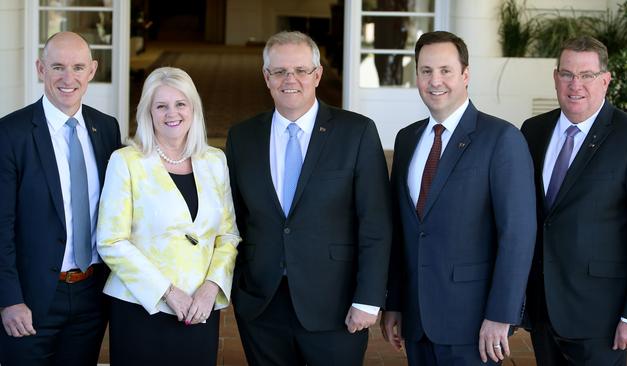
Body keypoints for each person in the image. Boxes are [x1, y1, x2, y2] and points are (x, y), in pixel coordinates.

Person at [226, 31, 391, 366]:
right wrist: (239, 285)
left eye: (301, 70)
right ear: (266, 77)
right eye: (280, 71)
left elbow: (375, 222)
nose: (291, 79)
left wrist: (369, 298)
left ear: (317, 75)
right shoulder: (242, 136)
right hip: (262, 304)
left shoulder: (356, 132)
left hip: (336, 305)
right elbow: (235, 217)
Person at [381, 31, 537, 365]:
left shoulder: (501, 138)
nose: (435, 81)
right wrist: (394, 302)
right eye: (425, 71)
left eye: (445, 70)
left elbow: (518, 235)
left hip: (476, 323)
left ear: (465, 75)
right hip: (418, 318)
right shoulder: (406, 139)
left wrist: (502, 314)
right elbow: (401, 231)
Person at [96, 67, 240, 366]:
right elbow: (111, 240)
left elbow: (227, 235)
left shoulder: (215, 160)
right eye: (161, 105)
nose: (171, 113)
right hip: (141, 307)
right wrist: (168, 292)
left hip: (200, 308)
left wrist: (211, 289)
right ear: (148, 111)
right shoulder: (126, 161)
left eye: (180, 104)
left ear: (193, 108)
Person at [521, 36, 627, 365]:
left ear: (605, 80)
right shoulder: (532, 131)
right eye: (567, 74)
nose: (575, 85)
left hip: (601, 317)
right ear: (555, 77)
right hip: (543, 308)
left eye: (587, 75)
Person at [0, 31, 122, 365]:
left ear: (92, 70)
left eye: (78, 67)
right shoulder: (11, 134)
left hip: (91, 295)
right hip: (30, 299)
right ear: (40, 69)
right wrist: (9, 300)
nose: (68, 78)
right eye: (57, 67)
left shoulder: (106, 128)